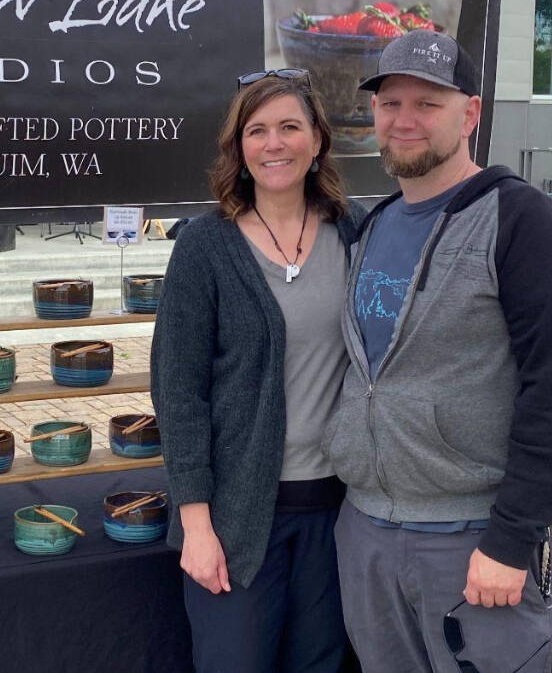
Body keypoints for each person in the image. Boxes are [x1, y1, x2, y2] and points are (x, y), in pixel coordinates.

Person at [324, 30, 552, 673]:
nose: (404, 120)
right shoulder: (374, 226)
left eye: (428, 103)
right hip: (366, 531)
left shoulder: (522, 222)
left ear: (470, 113)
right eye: (391, 104)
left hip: (473, 541)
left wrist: (509, 541)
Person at [151, 68, 367, 673]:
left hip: (338, 512)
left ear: (317, 140)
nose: (274, 144)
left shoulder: (356, 232)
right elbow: (178, 389)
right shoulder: (204, 246)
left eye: (290, 127)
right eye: (258, 130)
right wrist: (196, 523)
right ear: (240, 148)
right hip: (237, 517)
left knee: (321, 662)